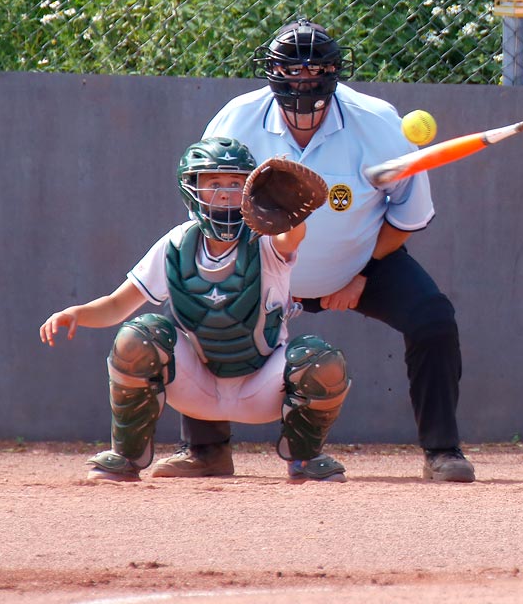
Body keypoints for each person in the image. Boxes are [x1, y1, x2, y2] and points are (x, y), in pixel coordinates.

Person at [150, 18, 475, 483]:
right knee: (200, 303)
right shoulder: (237, 119)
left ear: (334, 73)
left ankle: (442, 451)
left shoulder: (378, 123)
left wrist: (363, 274)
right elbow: (212, 204)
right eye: (291, 70)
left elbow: (406, 216)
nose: (302, 79)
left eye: (314, 69)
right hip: (261, 266)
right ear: (272, 73)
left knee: (433, 318)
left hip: (361, 262)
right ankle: (205, 451)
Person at [39, 137, 351, 482]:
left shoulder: (265, 239)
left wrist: (288, 215)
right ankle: (125, 457)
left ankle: (304, 460)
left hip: (262, 386)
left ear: (252, 189)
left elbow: (289, 238)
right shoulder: (176, 243)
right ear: (192, 190)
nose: (225, 193)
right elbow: (118, 305)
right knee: (139, 335)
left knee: (320, 360)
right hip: (197, 387)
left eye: (235, 184)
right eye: (214, 183)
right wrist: (77, 313)